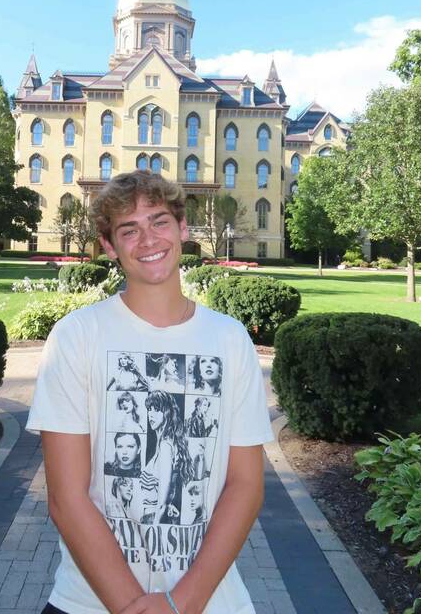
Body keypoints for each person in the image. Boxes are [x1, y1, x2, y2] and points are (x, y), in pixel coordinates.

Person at [27, 170, 273, 614]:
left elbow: (245, 485)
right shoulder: (77, 336)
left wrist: (182, 603)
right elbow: (66, 497)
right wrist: (133, 607)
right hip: (90, 601)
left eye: (159, 222)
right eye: (129, 229)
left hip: (209, 602)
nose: (148, 239)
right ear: (109, 246)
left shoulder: (229, 339)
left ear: (182, 228)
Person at [140, 390, 193, 524]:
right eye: (149, 409)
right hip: (153, 517)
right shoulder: (165, 443)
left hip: (154, 520)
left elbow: (162, 503)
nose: (150, 414)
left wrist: (154, 529)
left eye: (156, 409)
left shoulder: (165, 446)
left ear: (167, 413)